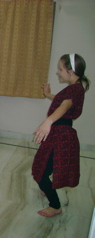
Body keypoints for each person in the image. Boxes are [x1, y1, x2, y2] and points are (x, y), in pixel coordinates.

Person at [32, 53, 90, 217]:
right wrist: (48, 95)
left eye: (60, 69)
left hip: (60, 136)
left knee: (40, 172)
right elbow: (62, 99)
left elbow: (64, 106)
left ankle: (55, 205)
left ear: (70, 72)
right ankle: (46, 187)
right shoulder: (76, 88)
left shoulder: (74, 89)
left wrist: (48, 121)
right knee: (45, 167)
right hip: (60, 135)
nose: (58, 72)